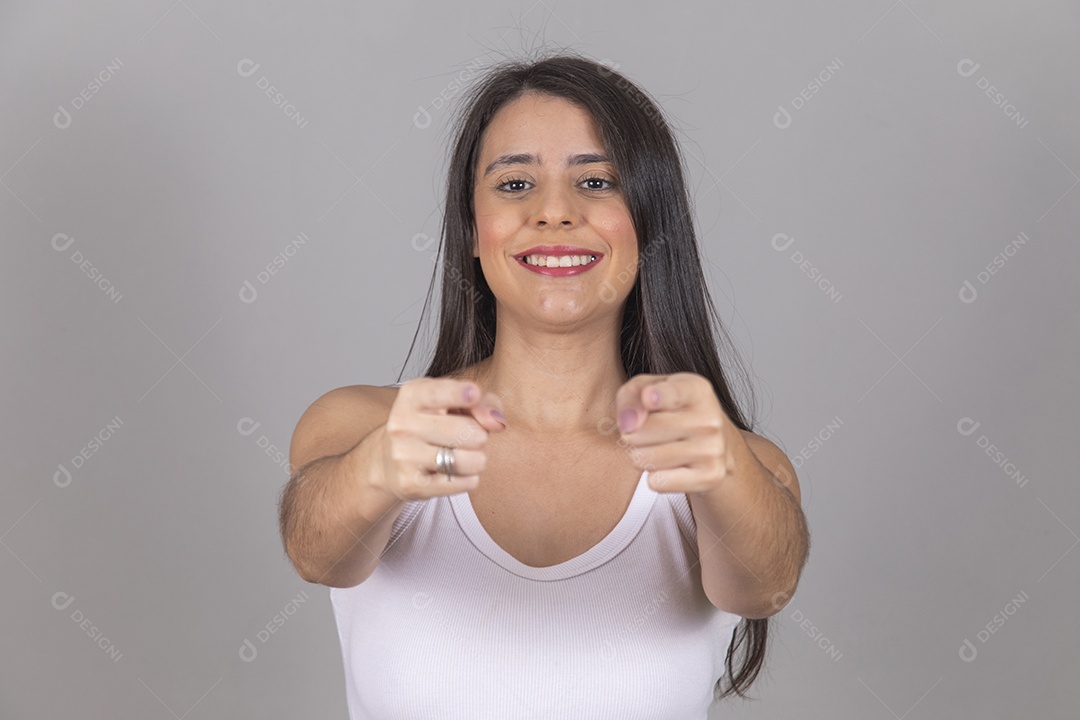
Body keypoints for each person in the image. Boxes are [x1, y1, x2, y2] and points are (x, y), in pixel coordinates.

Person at [278, 50, 810, 718]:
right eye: (514, 184)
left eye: (595, 183)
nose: (554, 212)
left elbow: (765, 585)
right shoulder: (362, 425)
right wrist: (376, 470)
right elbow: (316, 552)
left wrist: (726, 470)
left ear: (649, 223)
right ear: (472, 227)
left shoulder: (728, 465)